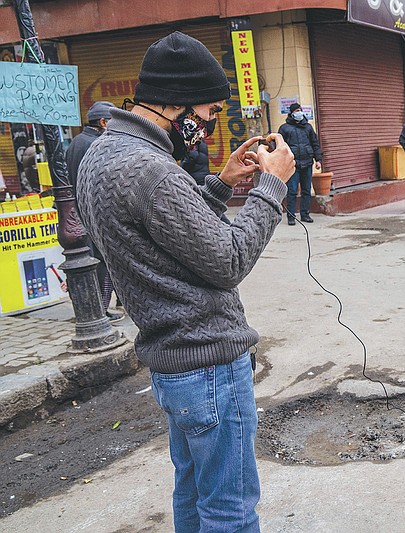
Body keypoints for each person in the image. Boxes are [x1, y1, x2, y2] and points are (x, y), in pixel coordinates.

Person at [75, 31, 295, 532]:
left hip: (174, 364)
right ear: (180, 107)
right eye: (212, 112)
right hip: (208, 364)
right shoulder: (152, 170)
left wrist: (219, 184)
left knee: (194, 496)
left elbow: (165, 241)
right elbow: (227, 260)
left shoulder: (102, 155)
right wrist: (271, 187)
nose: (213, 123)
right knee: (231, 511)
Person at [65, 100, 124, 322]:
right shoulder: (95, 144)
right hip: (92, 214)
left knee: (97, 262)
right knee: (101, 263)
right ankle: (99, 310)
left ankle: (100, 308)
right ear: (103, 122)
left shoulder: (78, 141)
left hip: (81, 212)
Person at [278, 103, 322, 225]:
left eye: (300, 110)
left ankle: (305, 214)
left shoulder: (307, 127)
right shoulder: (284, 128)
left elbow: (315, 144)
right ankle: (291, 217)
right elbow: (280, 147)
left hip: (307, 163)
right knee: (292, 191)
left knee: (306, 190)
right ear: (292, 113)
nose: (299, 112)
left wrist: (318, 160)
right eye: (297, 110)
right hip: (293, 165)